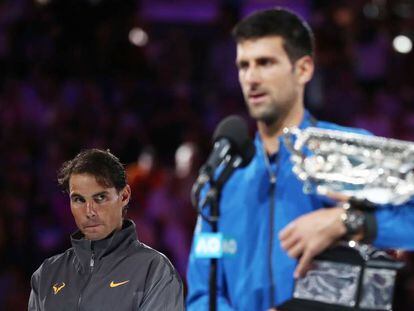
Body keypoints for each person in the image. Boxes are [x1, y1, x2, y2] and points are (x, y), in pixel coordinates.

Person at [186, 7, 414, 311]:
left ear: (303, 69)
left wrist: (348, 222)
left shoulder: (350, 154)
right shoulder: (224, 176)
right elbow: (203, 292)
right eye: (244, 65)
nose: (251, 78)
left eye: (265, 63)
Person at [28, 148, 184, 311]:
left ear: (124, 196)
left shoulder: (155, 271)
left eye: (100, 197)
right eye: (79, 199)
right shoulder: (47, 274)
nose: (89, 211)